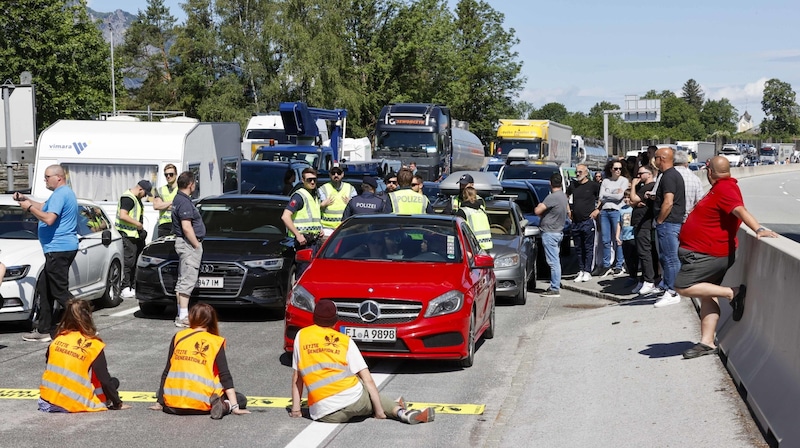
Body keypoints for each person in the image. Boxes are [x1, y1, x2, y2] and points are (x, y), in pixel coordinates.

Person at [675, 157, 778, 359]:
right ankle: (707, 342)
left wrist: (759, 228)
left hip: (709, 254)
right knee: (707, 295)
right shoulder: (721, 186)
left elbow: (739, 210)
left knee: (682, 286)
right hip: (705, 252)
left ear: (710, 172)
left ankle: (732, 293)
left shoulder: (725, 189)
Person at [290, 299, 434, 424]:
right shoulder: (345, 341)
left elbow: (297, 378)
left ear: (314, 318)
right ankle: (400, 412)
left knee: (363, 396)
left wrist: (296, 410)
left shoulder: (301, 336)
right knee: (361, 385)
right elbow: (368, 380)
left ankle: (392, 405)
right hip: (354, 402)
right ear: (335, 321)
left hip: (325, 414)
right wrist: (379, 413)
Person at [150, 303, 251, 418]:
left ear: (191, 317)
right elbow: (225, 375)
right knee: (240, 399)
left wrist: (160, 402)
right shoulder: (215, 342)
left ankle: (164, 396)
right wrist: (235, 407)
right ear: (212, 320)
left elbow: (167, 371)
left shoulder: (178, 337)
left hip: (172, 406)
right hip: (201, 404)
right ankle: (225, 406)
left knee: (161, 391)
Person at [15, 165, 79, 342]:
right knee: (45, 288)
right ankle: (44, 330)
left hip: (59, 249)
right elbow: (44, 206)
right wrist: (26, 200)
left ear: (59, 177)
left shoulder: (61, 193)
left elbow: (49, 218)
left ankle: (84, 326)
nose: (45, 180)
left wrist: (29, 209)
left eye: (47, 176)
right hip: (56, 249)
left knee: (60, 292)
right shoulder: (61, 194)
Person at [38, 299, 131, 412]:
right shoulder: (93, 345)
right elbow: (105, 380)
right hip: (72, 404)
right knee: (113, 382)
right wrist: (118, 403)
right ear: (89, 316)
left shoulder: (57, 340)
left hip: (46, 401)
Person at [652, 146, 686, 307]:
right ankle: (670, 287)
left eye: (656, 157)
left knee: (670, 258)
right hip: (672, 222)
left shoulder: (669, 177)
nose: (654, 160)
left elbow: (668, 201)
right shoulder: (671, 175)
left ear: (662, 159)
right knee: (667, 257)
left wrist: (660, 219)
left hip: (669, 223)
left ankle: (672, 291)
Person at [171, 171, 206, 328]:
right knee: (188, 279)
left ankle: (181, 313)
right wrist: (196, 244)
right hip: (188, 244)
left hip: (184, 243)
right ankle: (184, 317)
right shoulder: (184, 202)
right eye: (194, 183)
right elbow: (186, 227)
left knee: (182, 279)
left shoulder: (179, 198)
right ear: (191, 184)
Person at [282, 168, 323, 275]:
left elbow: (314, 217)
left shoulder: (315, 195)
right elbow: (285, 216)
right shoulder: (299, 196)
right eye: (309, 180)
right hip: (303, 243)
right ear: (303, 180)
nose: (312, 182)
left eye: (314, 179)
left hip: (314, 242)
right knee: (303, 274)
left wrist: (320, 229)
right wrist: (298, 235)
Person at [116, 179, 153, 299]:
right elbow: (123, 215)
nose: (145, 196)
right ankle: (125, 287)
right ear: (140, 189)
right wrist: (138, 224)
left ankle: (131, 286)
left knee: (136, 261)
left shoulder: (135, 198)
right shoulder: (128, 198)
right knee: (128, 261)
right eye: (145, 193)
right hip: (127, 235)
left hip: (135, 235)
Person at [535, 172, 569, 297]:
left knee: (553, 261)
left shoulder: (552, 197)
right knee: (555, 260)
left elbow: (538, 210)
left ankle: (554, 288)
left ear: (550, 183)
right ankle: (554, 284)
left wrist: (539, 206)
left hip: (550, 232)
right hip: (558, 231)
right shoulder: (563, 196)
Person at [595, 160, 630, 277]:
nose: (618, 171)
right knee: (605, 239)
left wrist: (608, 194)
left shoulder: (624, 181)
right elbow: (601, 197)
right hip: (605, 211)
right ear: (611, 169)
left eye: (620, 168)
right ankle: (606, 265)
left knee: (618, 239)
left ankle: (619, 265)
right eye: (615, 169)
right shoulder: (605, 181)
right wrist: (614, 194)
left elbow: (620, 197)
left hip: (617, 211)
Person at [567, 164, 600, 283]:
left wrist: (597, 210)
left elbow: (602, 197)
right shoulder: (573, 185)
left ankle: (587, 271)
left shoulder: (593, 186)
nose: (577, 174)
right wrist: (568, 211)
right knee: (578, 248)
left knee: (588, 247)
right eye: (576, 172)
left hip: (587, 221)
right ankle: (581, 270)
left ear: (586, 173)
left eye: (580, 172)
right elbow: (566, 196)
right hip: (576, 221)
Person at [629, 164, 659, 295]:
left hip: (645, 224)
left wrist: (633, 186)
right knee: (644, 252)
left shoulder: (649, 186)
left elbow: (633, 198)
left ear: (649, 174)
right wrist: (635, 201)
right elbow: (632, 202)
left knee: (645, 252)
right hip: (640, 223)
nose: (638, 176)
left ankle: (649, 280)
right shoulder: (644, 188)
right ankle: (645, 279)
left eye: (641, 174)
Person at [319, 166, 356, 233]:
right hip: (327, 228)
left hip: (345, 227)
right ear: (329, 174)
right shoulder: (323, 189)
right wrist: (322, 205)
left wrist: (351, 204)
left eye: (338, 173)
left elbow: (356, 207)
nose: (336, 175)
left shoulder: (350, 188)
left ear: (342, 174)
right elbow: (315, 208)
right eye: (333, 173)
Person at [457, 187, 492, 252]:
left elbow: (458, 229)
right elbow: (489, 223)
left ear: (464, 196)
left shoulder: (463, 211)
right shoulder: (482, 209)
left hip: (472, 246)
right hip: (487, 245)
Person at [674, 150, 705, 221]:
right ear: (686, 163)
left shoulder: (666, 175)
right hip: (688, 219)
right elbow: (700, 201)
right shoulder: (695, 178)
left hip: (669, 220)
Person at [153, 164, 179, 238]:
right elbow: (156, 206)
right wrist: (172, 202)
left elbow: (182, 206)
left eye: (171, 174)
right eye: (166, 175)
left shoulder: (181, 189)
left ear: (176, 174)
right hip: (163, 225)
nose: (168, 176)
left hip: (177, 224)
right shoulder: (160, 190)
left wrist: (163, 204)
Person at [618, 190, 638, 287]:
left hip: (634, 237)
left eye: (628, 197)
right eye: (625, 197)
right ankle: (632, 276)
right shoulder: (621, 210)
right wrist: (617, 236)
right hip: (625, 237)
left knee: (636, 257)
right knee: (628, 258)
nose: (626, 199)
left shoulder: (634, 208)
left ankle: (637, 276)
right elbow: (619, 224)